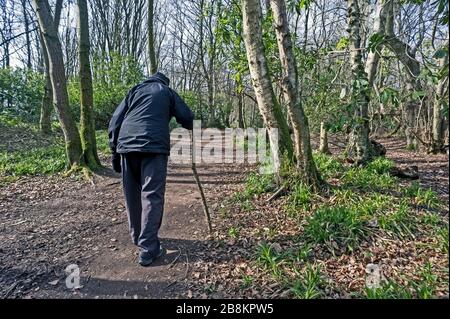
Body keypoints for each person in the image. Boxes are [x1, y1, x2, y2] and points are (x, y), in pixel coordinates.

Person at [108, 71, 194, 267]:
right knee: (152, 195)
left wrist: (114, 152)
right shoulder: (167, 92)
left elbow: (114, 122)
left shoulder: (134, 91)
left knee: (132, 194)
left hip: (127, 148)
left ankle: (139, 237)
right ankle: (148, 249)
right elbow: (187, 116)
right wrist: (190, 123)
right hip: (153, 148)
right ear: (165, 82)